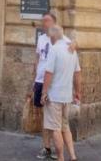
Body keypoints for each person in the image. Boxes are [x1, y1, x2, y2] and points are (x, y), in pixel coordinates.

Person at [42, 24, 80, 161]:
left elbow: (48, 73)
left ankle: (61, 158)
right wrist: (78, 92)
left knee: (56, 129)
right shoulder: (72, 50)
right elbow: (77, 73)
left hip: (54, 97)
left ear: (53, 36)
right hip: (66, 96)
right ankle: (73, 156)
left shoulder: (54, 49)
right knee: (66, 127)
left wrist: (44, 93)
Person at [32, 12, 57, 159]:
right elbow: (37, 59)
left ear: (54, 23)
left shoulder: (59, 40)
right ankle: (46, 146)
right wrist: (34, 81)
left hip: (53, 83)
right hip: (40, 81)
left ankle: (55, 146)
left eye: (47, 21)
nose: (44, 24)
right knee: (43, 116)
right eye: (43, 21)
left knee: (53, 115)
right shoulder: (41, 39)